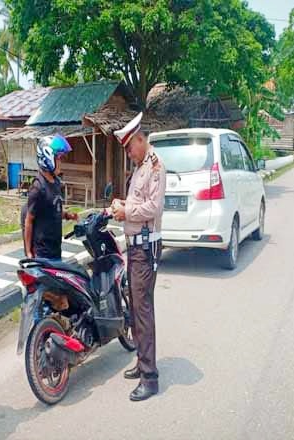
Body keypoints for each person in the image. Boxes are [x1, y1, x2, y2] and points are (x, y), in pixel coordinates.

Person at [111, 112, 166, 402]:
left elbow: (153, 208)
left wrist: (126, 212)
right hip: (135, 247)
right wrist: (121, 205)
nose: (129, 153)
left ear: (141, 139)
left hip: (146, 249)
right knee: (136, 307)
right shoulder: (141, 167)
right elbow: (138, 202)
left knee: (142, 312)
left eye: (130, 147)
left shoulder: (155, 167)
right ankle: (141, 361)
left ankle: (150, 377)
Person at [22, 135, 78, 261]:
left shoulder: (56, 182)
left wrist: (68, 215)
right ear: (47, 158)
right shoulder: (38, 188)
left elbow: (53, 210)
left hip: (55, 249)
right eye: (58, 158)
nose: (60, 162)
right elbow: (29, 220)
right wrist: (29, 252)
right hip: (42, 253)